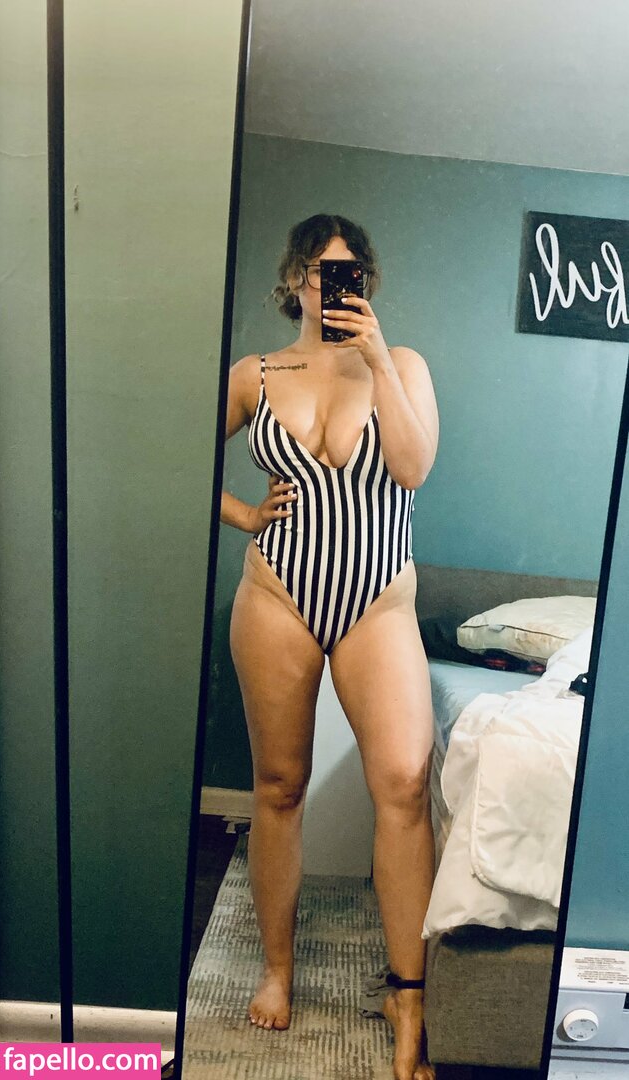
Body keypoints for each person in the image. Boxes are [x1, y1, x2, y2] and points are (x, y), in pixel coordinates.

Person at [220, 213, 439, 1080]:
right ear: (293, 280)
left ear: (367, 283)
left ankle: (407, 994)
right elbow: (168, 453)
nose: (329, 286)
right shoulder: (255, 374)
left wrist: (377, 358)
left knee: (405, 784)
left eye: (346, 273)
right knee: (278, 787)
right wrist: (241, 513)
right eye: (316, 271)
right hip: (277, 593)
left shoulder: (403, 364)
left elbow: (413, 469)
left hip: (378, 602)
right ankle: (278, 970)